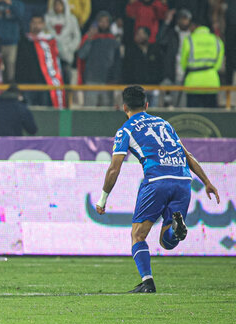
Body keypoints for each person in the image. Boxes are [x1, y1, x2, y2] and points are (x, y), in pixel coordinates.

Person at [95, 85, 220, 293]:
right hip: (183, 181)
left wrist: (102, 199)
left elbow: (114, 168)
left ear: (124, 107)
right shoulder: (165, 124)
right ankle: (175, 229)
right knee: (167, 241)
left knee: (138, 235)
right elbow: (187, 155)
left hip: (157, 181)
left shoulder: (125, 130)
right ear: (146, 104)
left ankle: (147, 282)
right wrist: (206, 181)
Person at [179, 24, 225, 108]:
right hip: (212, 82)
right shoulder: (217, 40)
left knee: (194, 116)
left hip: (192, 82)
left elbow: (183, 62)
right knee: (210, 116)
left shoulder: (189, 39)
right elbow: (218, 64)